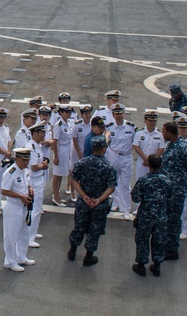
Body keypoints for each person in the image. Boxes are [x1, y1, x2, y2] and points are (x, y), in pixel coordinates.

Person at [67, 136, 117, 266]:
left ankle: (72, 250)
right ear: (103, 148)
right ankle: (88, 256)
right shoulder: (109, 167)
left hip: (84, 202)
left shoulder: (81, 163)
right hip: (99, 205)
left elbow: (74, 180)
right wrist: (98, 200)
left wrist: (84, 196)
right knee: (95, 230)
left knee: (79, 226)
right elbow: (111, 188)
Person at [159, 116, 187, 260]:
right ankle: (167, 245)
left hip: (176, 190)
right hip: (168, 189)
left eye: (164, 131)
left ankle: (172, 249)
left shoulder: (182, 146)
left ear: (170, 133)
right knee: (167, 218)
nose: (162, 134)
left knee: (174, 220)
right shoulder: (171, 145)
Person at [130, 154, 173, 277]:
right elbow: (170, 197)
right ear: (161, 165)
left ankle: (141, 265)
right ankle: (157, 265)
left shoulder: (143, 180)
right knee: (159, 240)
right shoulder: (167, 180)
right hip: (161, 216)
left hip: (145, 215)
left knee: (142, 239)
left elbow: (135, 197)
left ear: (148, 165)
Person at [1, 147, 34, 272]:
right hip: (14, 207)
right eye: (24, 160)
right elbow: (4, 190)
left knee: (24, 233)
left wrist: (30, 188)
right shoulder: (10, 172)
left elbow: (27, 182)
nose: (27, 162)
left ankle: (21, 257)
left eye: (28, 160)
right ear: (17, 158)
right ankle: (10, 261)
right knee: (11, 235)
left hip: (24, 207)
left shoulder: (25, 171)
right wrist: (21, 196)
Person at [105, 103, 135, 220]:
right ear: (113, 114)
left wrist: (127, 152)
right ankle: (115, 203)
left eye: (120, 113)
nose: (119, 116)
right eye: (116, 113)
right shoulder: (109, 127)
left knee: (125, 184)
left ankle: (126, 209)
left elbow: (134, 142)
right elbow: (108, 141)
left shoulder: (131, 126)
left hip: (126, 156)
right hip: (114, 154)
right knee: (113, 180)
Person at [27, 122, 50, 248]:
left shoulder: (37, 146)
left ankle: (33, 232)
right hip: (34, 180)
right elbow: (34, 167)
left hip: (38, 179)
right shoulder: (31, 148)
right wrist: (43, 165)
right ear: (35, 133)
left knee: (37, 208)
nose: (44, 135)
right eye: (42, 132)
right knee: (35, 210)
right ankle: (29, 236)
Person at [50, 104, 74, 206]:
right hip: (60, 149)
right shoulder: (58, 125)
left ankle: (57, 196)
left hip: (67, 148)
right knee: (57, 175)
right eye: (66, 112)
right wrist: (56, 156)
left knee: (62, 174)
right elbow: (55, 141)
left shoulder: (68, 123)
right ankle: (56, 197)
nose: (68, 114)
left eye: (69, 112)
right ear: (61, 113)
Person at [133, 111, 165, 181]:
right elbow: (136, 147)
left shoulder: (160, 134)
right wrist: (146, 159)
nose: (152, 123)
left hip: (155, 164)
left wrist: (151, 160)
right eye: (150, 120)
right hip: (142, 162)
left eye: (154, 121)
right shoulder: (139, 133)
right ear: (145, 121)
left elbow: (161, 149)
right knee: (140, 181)